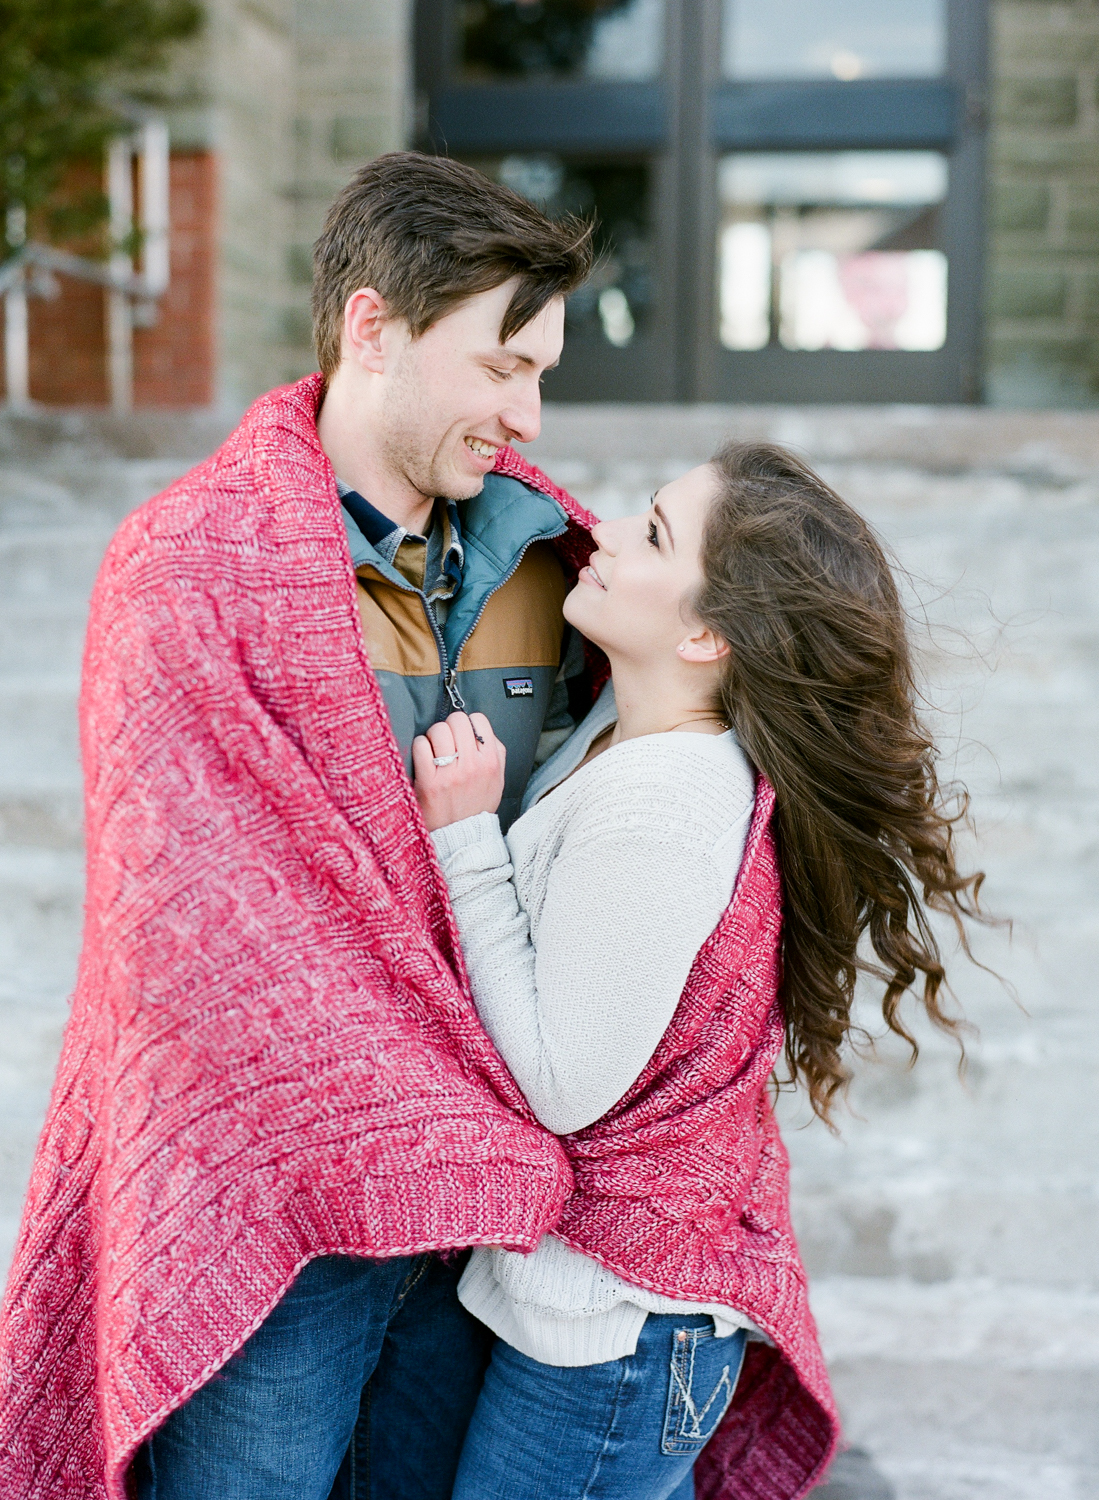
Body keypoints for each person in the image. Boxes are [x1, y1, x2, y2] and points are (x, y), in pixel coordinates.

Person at [0, 153, 600, 1500]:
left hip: (490, 1225)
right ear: (372, 329)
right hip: (271, 1226)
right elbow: (189, 939)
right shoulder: (183, 567)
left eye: (541, 371)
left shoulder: (561, 572)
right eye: (502, 367)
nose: (532, 416)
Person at [414, 442, 986, 1500]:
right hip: (596, 1309)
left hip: (616, 1335)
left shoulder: (662, 809)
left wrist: (463, 844)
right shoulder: (621, 729)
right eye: (644, 511)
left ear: (706, 632)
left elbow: (561, 1083)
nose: (610, 534)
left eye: (654, 535)